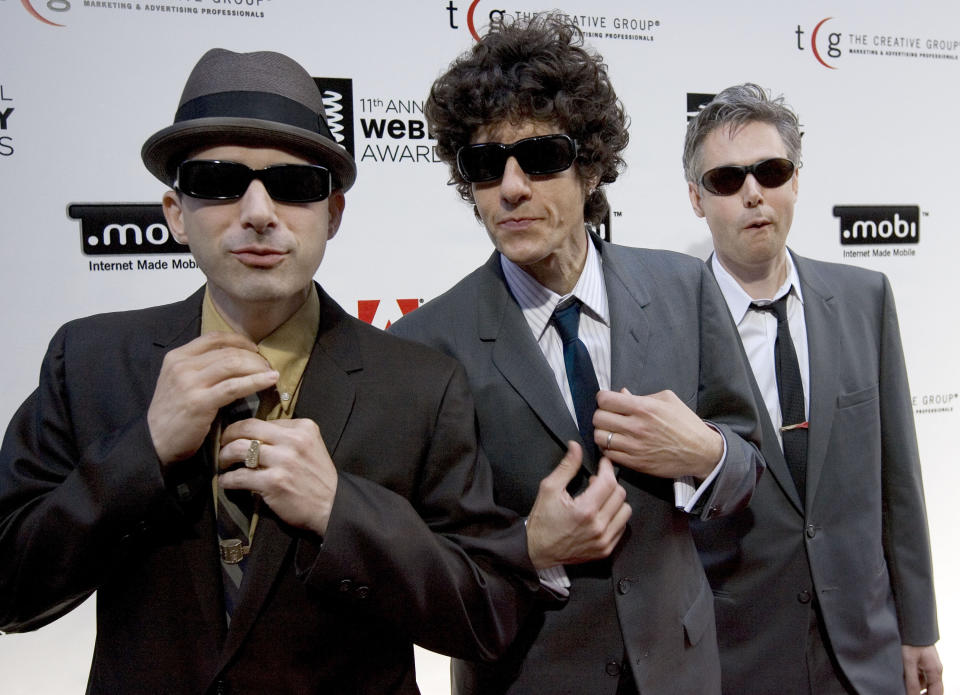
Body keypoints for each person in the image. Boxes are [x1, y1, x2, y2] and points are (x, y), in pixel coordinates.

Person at [0, 48, 601, 694]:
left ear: (333, 214)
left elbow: (486, 612)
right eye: (219, 180)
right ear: (175, 212)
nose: (259, 211)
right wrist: (140, 451)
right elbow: (10, 588)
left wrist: (340, 510)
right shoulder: (88, 360)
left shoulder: (419, 384)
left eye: (294, 186)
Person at [391, 15, 764, 695]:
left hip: (681, 668)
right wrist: (531, 551)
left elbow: (748, 465)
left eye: (539, 157)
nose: (510, 187)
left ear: (589, 166)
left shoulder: (684, 287)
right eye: (485, 164)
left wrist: (704, 454)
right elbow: (424, 569)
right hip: (526, 675)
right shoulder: (424, 344)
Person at [684, 83, 942, 695]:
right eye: (726, 179)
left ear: (795, 180)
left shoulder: (865, 298)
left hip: (865, 649)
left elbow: (898, 481)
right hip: (734, 658)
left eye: (771, 172)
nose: (753, 193)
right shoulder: (667, 322)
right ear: (696, 199)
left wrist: (919, 628)